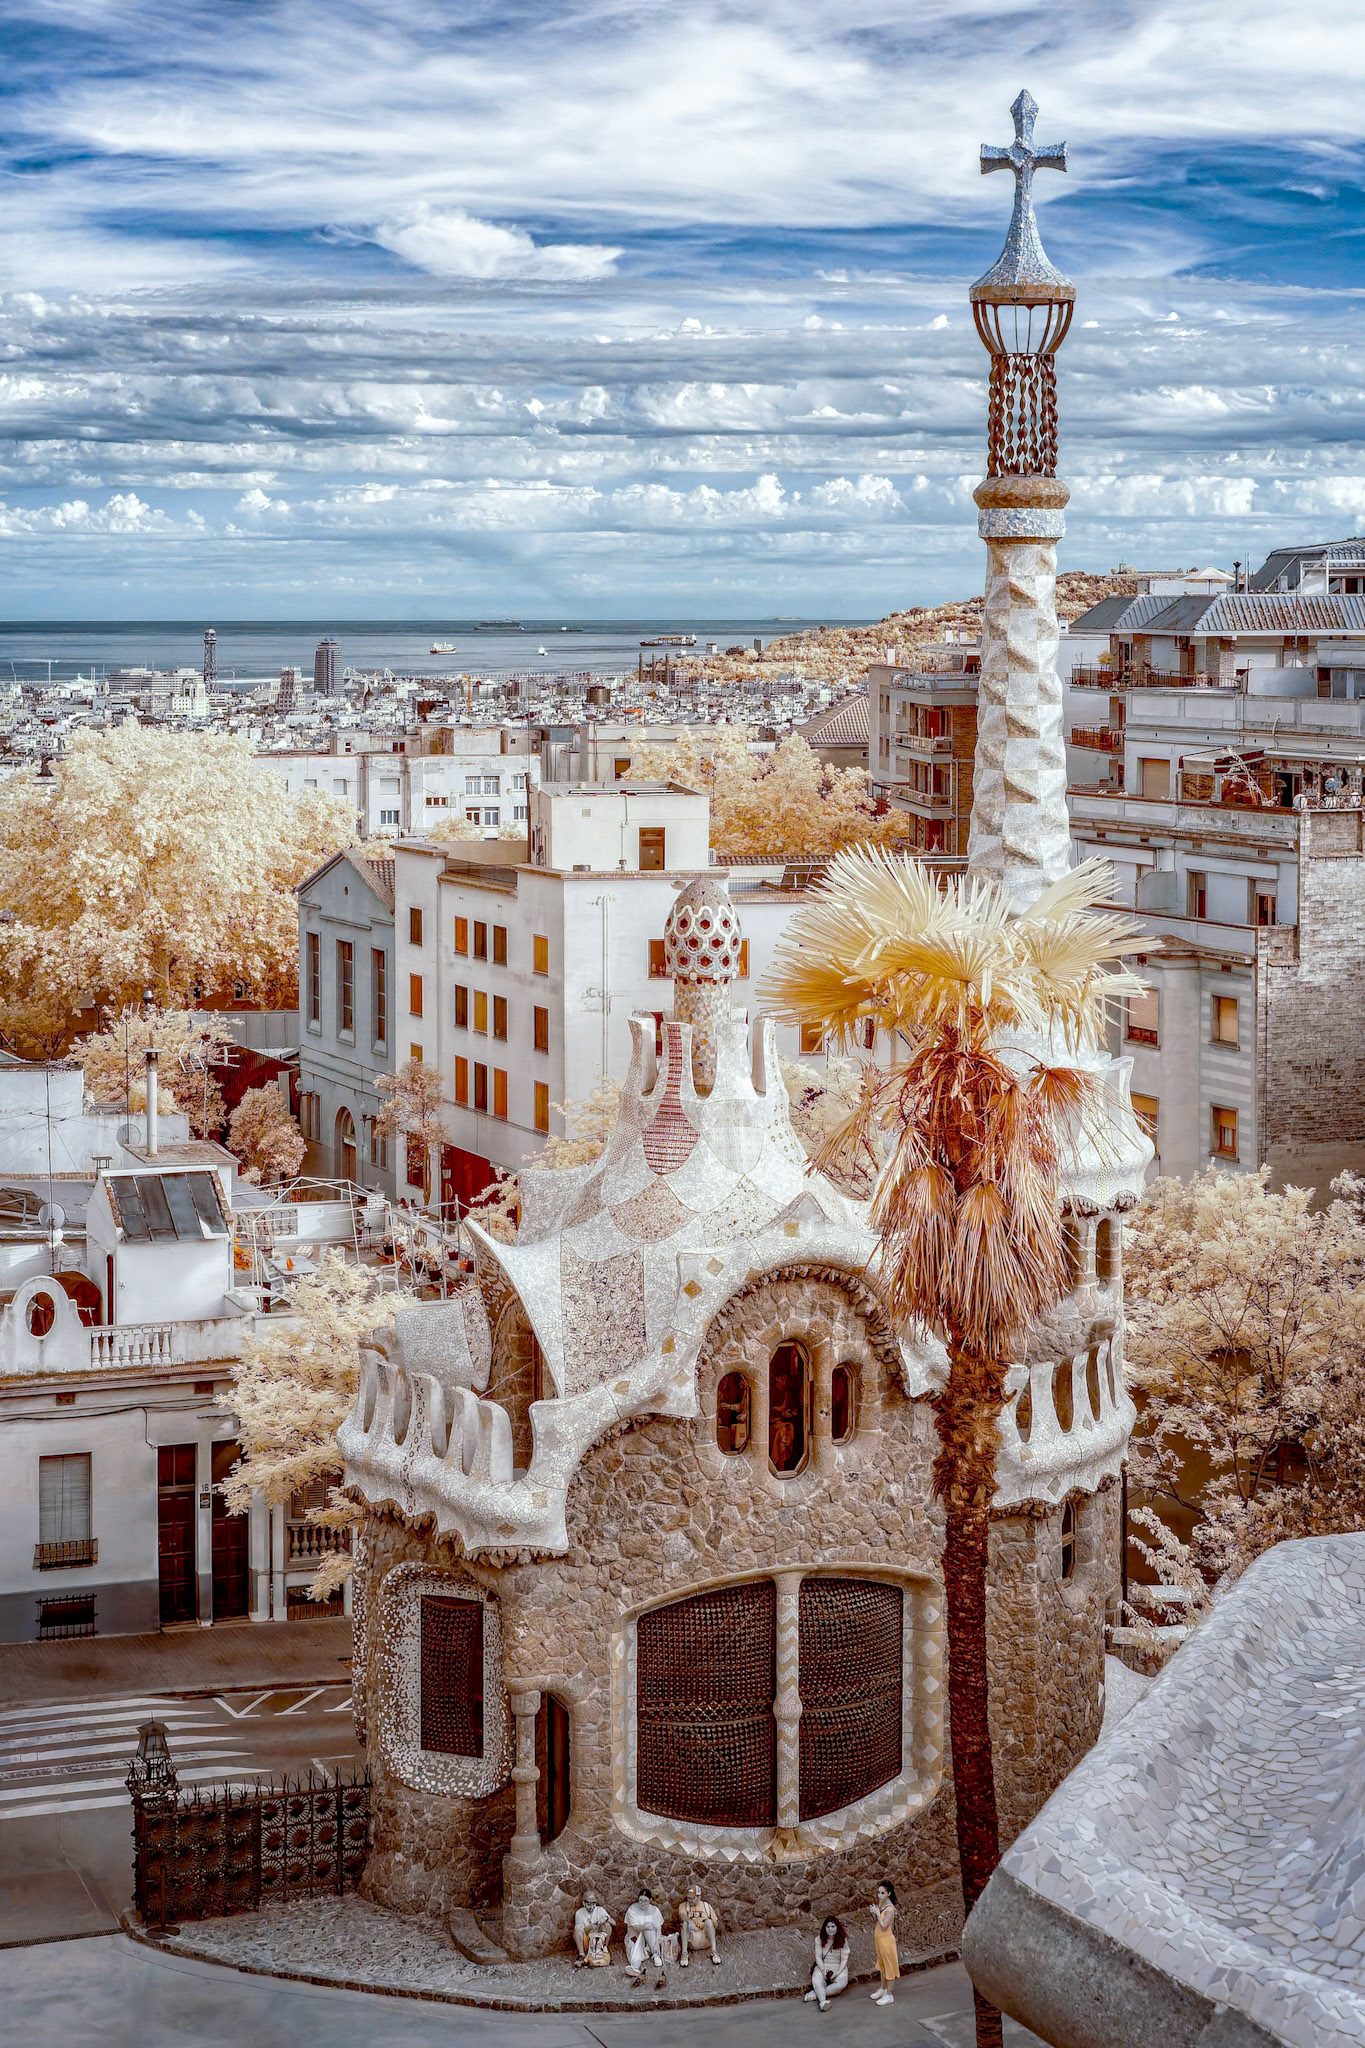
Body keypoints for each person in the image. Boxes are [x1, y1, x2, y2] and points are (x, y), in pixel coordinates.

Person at [803, 1915, 850, 2011]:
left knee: (841, 1984)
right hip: (823, 1966)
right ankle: (823, 2002)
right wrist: (823, 1970)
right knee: (816, 1979)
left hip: (838, 1966)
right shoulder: (818, 1939)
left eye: (833, 1926)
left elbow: (844, 1959)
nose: (830, 1929)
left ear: (837, 1927)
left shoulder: (843, 1939)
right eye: (828, 1927)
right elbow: (818, 1957)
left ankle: (815, 1994)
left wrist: (838, 1972)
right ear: (824, 1928)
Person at [623, 1887, 667, 1988]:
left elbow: (658, 1928)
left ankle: (655, 1954)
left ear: (650, 1900)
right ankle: (635, 1967)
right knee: (635, 1951)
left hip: (650, 1938)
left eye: (645, 1901)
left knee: (649, 1930)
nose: (643, 1903)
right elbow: (635, 1927)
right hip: (635, 1936)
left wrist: (656, 1943)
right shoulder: (632, 1909)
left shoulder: (655, 1910)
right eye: (641, 1900)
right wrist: (646, 1925)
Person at [868, 1881, 899, 2006]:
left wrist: (877, 1913)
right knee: (882, 1966)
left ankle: (889, 1995)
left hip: (887, 1941)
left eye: (882, 1893)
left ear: (889, 1893)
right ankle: (883, 1988)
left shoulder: (890, 1909)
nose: (879, 1895)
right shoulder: (882, 1903)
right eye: (878, 1893)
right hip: (880, 1940)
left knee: (889, 1967)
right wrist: (876, 1913)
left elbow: (884, 1926)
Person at [677, 1881, 722, 1966]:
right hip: (692, 1939)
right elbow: (682, 1915)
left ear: (698, 1897)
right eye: (688, 1898)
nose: (689, 1900)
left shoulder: (706, 1906)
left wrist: (707, 1924)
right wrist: (689, 1921)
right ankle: (684, 1954)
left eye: (692, 1898)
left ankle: (714, 1952)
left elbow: (715, 1925)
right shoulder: (683, 1906)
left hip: (705, 1939)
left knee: (709, 1922)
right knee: (685, 1924)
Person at [573, 1892, 612, 1968]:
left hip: (599, 1941)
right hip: (587, 1941)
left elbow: (614, 1923)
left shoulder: (600, 1910)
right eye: (589, 1904)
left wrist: (606, 1918)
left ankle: (604, 1949)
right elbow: (581, 1931)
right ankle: (582, 1955)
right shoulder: (579, 1913)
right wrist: (594, 1926)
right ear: (584, 1903)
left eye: (594, 1904)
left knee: (607, 1925)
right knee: (577, 1928)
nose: (592, 1907)